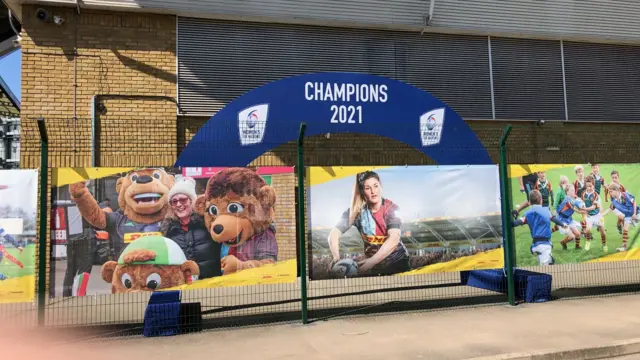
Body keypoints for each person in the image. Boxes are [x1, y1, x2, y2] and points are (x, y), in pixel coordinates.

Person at [327, 171, 410, 276]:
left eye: (375, 186)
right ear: (362, 191)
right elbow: (333, 234)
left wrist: (371, 262)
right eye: (367, 188)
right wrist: (336, 257)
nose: (373, 191)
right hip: (375, 266)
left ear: (380, 186)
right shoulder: (356, 212)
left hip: (398, 262)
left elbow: (394, 239)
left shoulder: (391, 208)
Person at [161, 177, 221, 279]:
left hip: (211, 282)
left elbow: (219, 256)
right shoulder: (168, 231)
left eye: (183, 200)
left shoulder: (207, 223)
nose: (179, 204)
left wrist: (198, 269)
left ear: (192, 201)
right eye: (174, 201)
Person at [512, 190, 566, 265]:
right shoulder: (546, 211)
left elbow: (519, 222)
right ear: (541, 201)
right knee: (546, 269)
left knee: (550, 262)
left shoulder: (527, 213)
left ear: (529, 203)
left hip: (536, 244)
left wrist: (509, 224)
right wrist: (562, 224)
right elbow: (554, 219)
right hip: (544, 245)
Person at [602, 183, 639, 252]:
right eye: (609, 192)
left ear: (616, 190)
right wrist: (601, 215)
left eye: (611, 191)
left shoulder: (624, 195)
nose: (609, 193)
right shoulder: (614, 200)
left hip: (636, 213)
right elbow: (609, 209)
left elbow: (634, 202)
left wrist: (634, 213)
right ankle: (624, 247)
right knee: (625, 229)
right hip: (628, 216)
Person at [581, 176, 607, 252]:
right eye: (587, 186)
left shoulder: (595, 195)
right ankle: (588, 242)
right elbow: (582, 204)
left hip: (598, 215)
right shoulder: (583, 194)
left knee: (603, 232)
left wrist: (584, 209)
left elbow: (593, 207)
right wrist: (585, 213)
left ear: (593, 185)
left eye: (591, 186)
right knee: (588, 230)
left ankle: (604, 245)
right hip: (589, 216)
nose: (589, 188)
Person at [556, 184, 585, 250]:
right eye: (571, 190)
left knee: (577, 234)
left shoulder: (572, 199)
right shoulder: (567, 200)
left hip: (569, 219)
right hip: (562, 220)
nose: (573, 191)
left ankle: (577, 247)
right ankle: (563, 242)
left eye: (574, 190)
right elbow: (575, 209)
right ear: (567, 192)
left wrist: (581, 203)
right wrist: (582, 211)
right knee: (572, 236)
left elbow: (577, 203)